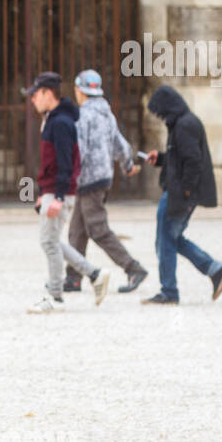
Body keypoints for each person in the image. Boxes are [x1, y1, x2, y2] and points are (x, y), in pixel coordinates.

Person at [23, 72, 111, 313]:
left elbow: (66, 163)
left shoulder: (60, 123)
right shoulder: (54, 119)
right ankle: (94, 274)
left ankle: (55, 297)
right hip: (53, 189)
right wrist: (44, 192)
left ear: (47, 94)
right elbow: (52, 163)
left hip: (60, 191)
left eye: (35, 94)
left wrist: (59, 196)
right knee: (50, 240)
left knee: (49, 242)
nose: (32, 100)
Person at [142, 85, 222, 305]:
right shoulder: (182, 123)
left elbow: (193, 162)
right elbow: (179, 158)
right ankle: (213, 269)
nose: (160, 117)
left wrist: (186, 192)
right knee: (171, 239)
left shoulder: (184, 125)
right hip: (178, 191)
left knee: (165, 240)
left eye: (161, 113)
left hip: (178, 193)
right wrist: (161, 159)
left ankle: (169, 291)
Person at [63, 69, 148, 295]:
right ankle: (73, 277)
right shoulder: (106, 114)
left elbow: (77, 150)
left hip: (88, 179)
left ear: (79, 91)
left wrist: (66, 177)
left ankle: (133, 268)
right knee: (77, 231)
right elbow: (120, 144)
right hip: (103, 177)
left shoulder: (82, 116)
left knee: (98, 230)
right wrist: (127, 165)